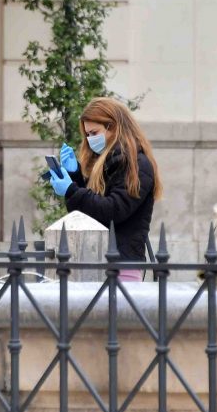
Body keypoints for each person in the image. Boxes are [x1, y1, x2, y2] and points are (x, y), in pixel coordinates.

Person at [48, 97, 162, 281]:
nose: (90, 139)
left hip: (121, 265)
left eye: (94, 132)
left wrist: (71, 190)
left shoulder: (137, 164)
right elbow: (92, 211)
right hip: (98, 258)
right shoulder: (107, 162)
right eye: (88, 134)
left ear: (113, 126)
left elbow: (112, 210)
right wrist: (75, 176)